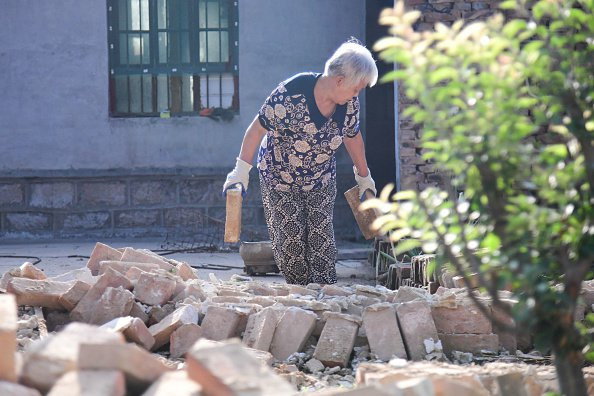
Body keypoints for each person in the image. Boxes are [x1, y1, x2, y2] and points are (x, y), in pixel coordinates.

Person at [223, 39, 378, 285]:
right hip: (279, 178)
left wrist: (364, 177)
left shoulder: (348, 104)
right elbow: (256, 130)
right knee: (291, 246)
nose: (356, 94)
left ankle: (326, 301)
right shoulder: (290, 94)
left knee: (322, 243)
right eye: (356, 88)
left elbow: (352, 136)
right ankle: (300, 304)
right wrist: (240, 173)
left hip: (320, 178)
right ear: (340, 81)